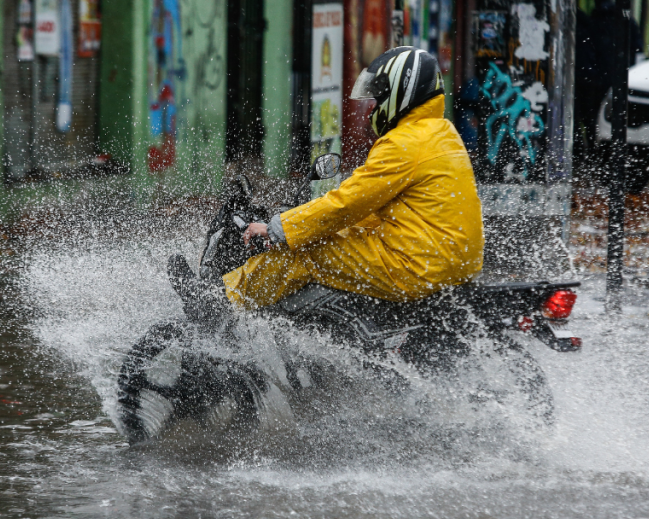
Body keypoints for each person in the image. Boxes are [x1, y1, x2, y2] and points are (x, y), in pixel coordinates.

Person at [171, 47, 485, 324]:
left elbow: (349, 202)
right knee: (338, 236)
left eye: (379, 100)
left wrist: (280, 228)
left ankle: (216, 304)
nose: (374, 109)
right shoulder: (443, 134)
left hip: (416, 264)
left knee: (305, 252)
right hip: (450, 262)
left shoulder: (405, 142)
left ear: (402, 94)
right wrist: (318, 223)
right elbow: (378, 208)